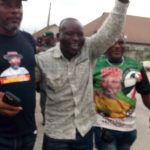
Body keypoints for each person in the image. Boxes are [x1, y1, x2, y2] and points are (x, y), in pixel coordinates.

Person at [35, 0, 130, 149]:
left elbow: (110, 32)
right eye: (70, 34)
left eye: (80, 34)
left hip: (84, 133)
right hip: (56, 135)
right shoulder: (43, 60)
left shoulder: (89, 48)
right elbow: (25, 84)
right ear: (59, 36)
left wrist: (122, 3)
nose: (76, 38)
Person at [93, 36, 150, 150]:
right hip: (104, 129)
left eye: (121, 43)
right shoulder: (95, 64)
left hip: (129, 131)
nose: (117, 46)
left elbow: (146, 92)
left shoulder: (136, 66)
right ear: (106, 46)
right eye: (113, 42)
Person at [0, 0, 37, 150]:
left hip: (27, 133)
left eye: (18, 5)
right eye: (7, 5)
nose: (15, 10)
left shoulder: (28, 39)